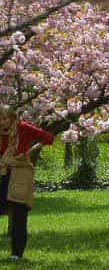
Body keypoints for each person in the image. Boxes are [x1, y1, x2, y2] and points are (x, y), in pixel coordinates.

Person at [0, 106, 54, 261]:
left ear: (12, 118)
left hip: (20, 175)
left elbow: (48, 138)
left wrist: (28, 152)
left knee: (19, 214)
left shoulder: (23, 128)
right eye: (0, 119)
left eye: (5, 118)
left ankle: (16, 254)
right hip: (3, 174)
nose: (2, 123)